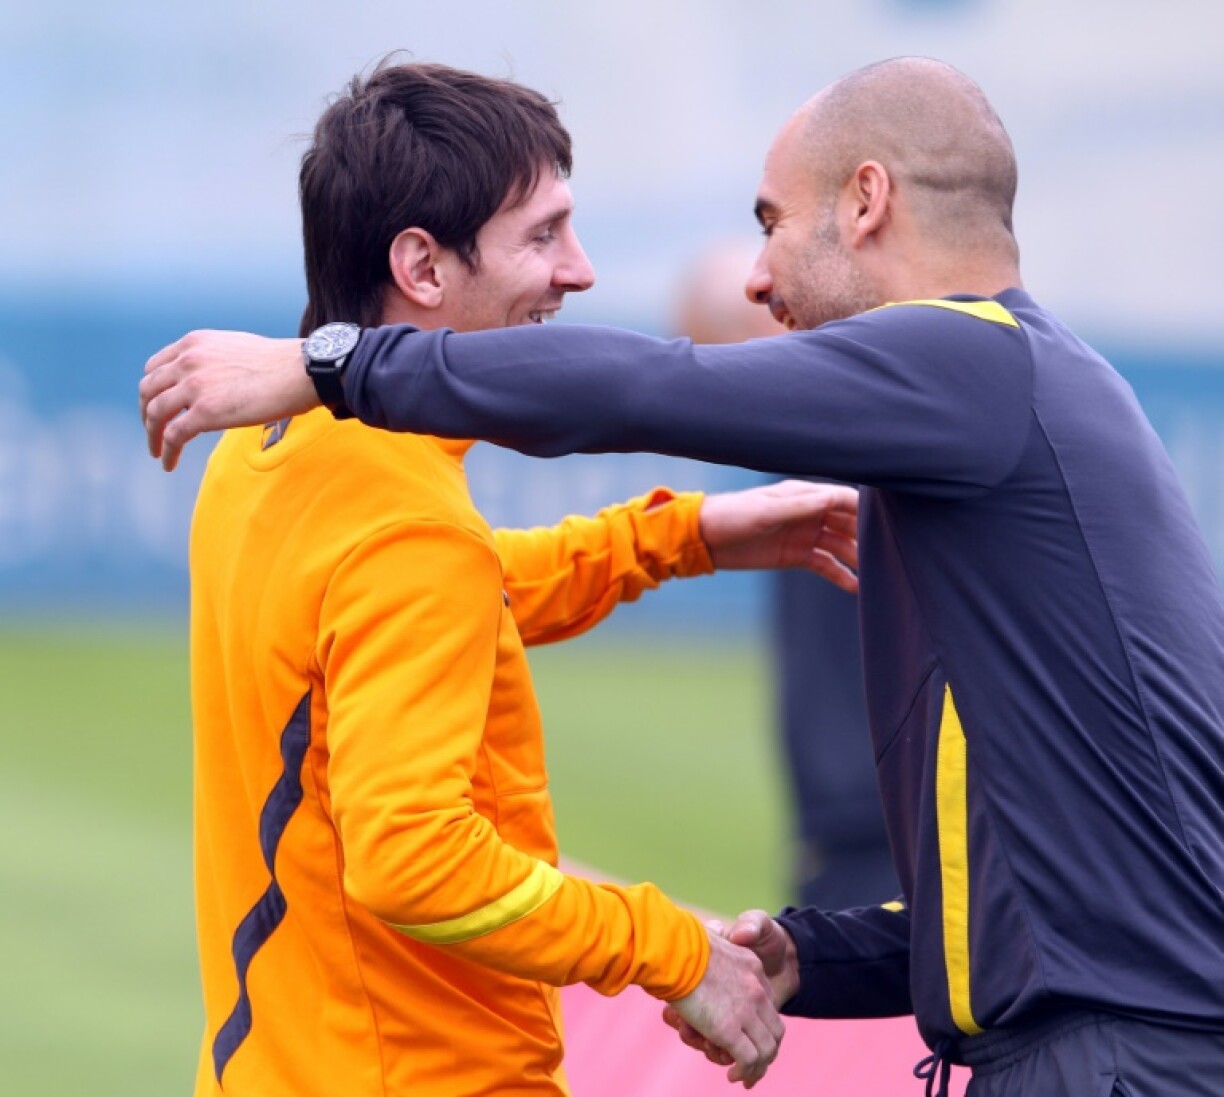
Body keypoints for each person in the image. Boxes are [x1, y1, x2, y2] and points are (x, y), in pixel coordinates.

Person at [141, 56, 1224, 1095]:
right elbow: (444, 602)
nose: (753, 277)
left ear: (867, 203)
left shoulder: (979, 363)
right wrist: (782, 949)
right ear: (422, 267)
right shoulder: (1004, 386)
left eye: (769, 223)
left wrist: (331, 366)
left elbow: (636, 400)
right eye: (546, 234)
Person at [169, 60, 874, 1097]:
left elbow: (437, 610)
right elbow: (415, 857)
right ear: (422, 265)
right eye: (543, 236)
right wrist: (672, 949)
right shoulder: (408, 526)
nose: (578, 272)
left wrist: (685, 536)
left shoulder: (270, 444)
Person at [674, 239, 897, 911]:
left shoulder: (856, 431)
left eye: (715, 356)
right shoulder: (821, 441)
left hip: (882, 834)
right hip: (849, 826)